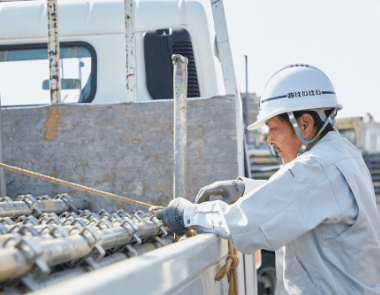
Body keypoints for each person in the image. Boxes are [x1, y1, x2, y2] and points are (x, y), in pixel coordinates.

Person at [156, 64, 380, 294]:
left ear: (304, 124)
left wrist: (186, 213)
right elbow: (302, 199)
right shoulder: (343, 155)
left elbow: (248, 224)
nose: (270, 140)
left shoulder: (316, 167)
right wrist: (243, 189)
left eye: (273, 128)